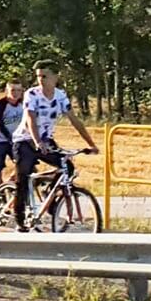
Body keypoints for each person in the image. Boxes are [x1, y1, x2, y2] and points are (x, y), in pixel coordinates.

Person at [11, 60, 99, 231]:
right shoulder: (32, 94)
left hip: (46, 140)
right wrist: (37, 142)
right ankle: (19, 218)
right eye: (38, 77)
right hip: (25, 140)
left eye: (45, 76)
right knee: (23, 178)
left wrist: (91, 145)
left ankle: (49, 196)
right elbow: (30, 119)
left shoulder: (60, 96)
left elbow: (75, 121)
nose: (41, 80)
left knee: (68, 169)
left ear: (55, 77)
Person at [0, 78, 25, 188]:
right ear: (7, 90)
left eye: (18, 90)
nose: (16, 93)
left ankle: (7, 185)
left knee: (25, 166)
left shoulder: (23, 105)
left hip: (13, 140)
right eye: (13, 90)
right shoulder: (1, 104)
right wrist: (10, 138)